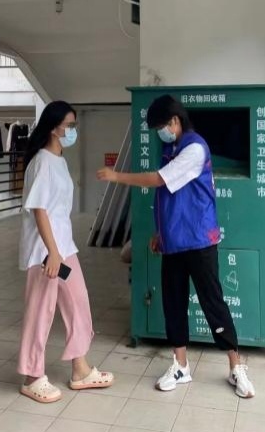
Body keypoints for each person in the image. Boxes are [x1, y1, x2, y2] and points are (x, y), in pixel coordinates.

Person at [97, 94, 254, 398]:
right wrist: (160, 232)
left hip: (199, 240)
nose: (161, 133)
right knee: (174, 303)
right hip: (174, 241)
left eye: (161, 127)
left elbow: (159, 181)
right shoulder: (172, 149)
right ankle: (181, 366)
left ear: (174, 121)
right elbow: (170, 197)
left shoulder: (194, 148)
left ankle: (236, 367)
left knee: (213, 302)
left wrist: (117, 175)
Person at [17, 101, 114, 403]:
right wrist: (53, 252)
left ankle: (80, 370)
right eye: (69, 125)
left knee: (78, 303)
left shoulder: (58, 160)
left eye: (74, 125)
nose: (73, 130)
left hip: (64, 248)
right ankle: (32, 377)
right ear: (53, 128)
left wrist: (61, 250)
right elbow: (39, 210)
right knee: (40, 312)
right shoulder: (42, 162)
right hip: (45, 253)